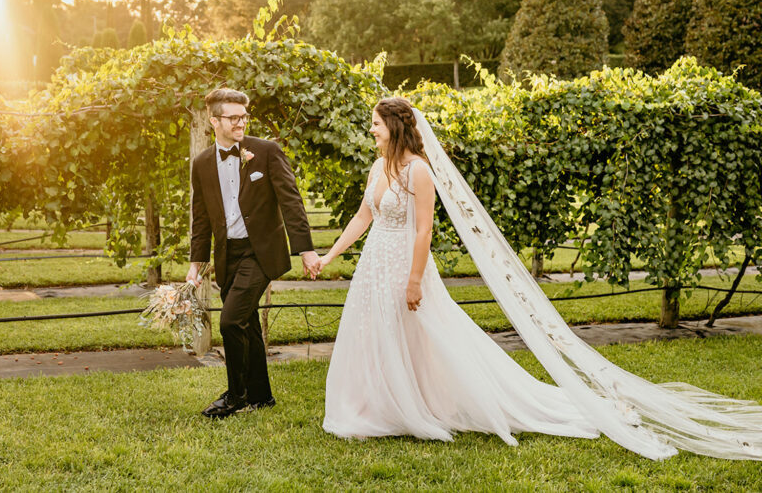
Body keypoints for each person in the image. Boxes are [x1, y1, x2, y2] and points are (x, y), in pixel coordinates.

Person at [317, 97, 762, 460]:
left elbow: (423, 230)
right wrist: (330, 254)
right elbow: (363, 216)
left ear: (394, 126)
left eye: (375, 123)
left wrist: (414, 280)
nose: (371, 129)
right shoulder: (378, 168)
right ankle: (377, 405)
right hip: (374, 265)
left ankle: (423, 404)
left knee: (427, 337)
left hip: (406, 265)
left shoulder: (418, 170)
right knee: (374, 333)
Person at [187, 88, 321, 419]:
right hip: (227, 254)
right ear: (214, 120)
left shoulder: (266, 152)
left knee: (230, 320)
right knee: (245, 322)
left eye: (244, 116)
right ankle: (261, 395)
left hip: (260, 252)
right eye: (234, 117)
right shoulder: (202, 163)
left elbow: (291, 201)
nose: (241, 122)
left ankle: (235, 395)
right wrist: (195, 265)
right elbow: (201, 219)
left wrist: (305, 250)